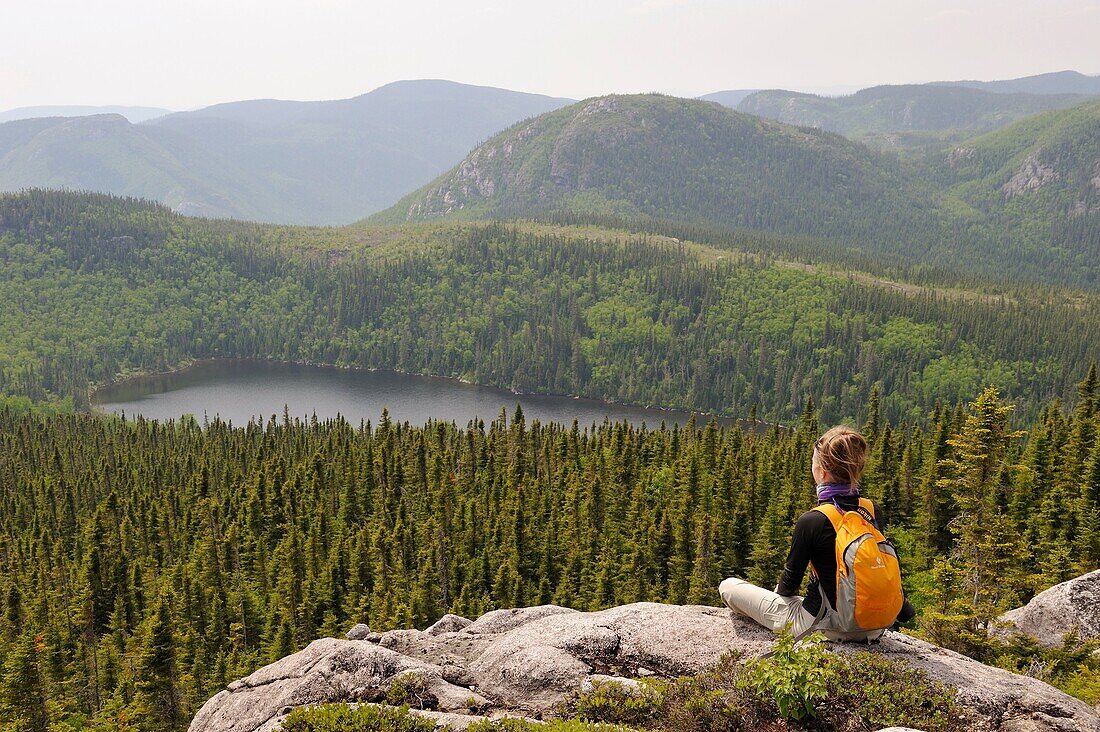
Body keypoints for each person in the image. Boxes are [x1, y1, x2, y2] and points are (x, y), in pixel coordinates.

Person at [718, 425, 916, 641]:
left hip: (827, 627)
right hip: (874, 628)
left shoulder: (813, 521)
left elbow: (788, 586)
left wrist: (777, 601)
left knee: (728, 587)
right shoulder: (870, 510)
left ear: (822, 472)